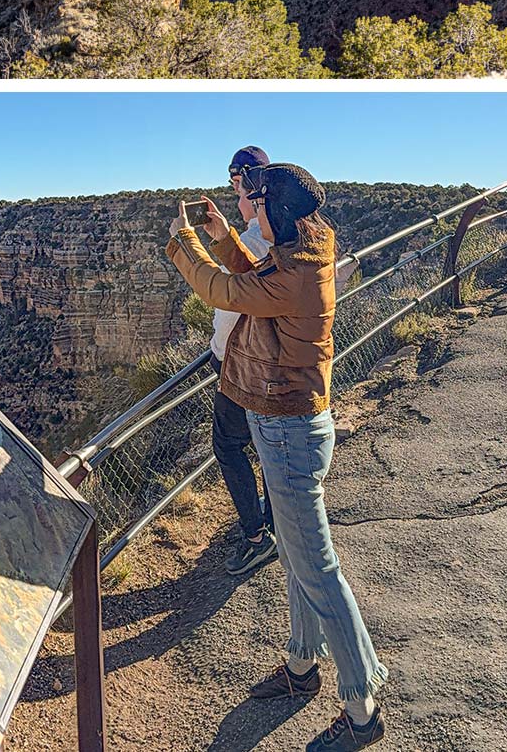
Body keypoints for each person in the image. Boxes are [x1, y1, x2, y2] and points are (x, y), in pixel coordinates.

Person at [167, 163, 389, 752]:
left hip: (288, 432)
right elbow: (257, 276)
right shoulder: (305, 246)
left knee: (318, 571)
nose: (251, 207)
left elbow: (221, 290)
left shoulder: (295, 275)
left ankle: (362, 706)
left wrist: (185, 241)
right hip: (285, 425)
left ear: (278, 212)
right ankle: (300, 666)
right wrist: (223, 235)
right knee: (296, 558)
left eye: (256, 201)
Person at [211, 145, 278, 576]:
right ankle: (277, 520)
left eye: (237, 189)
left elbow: (224, 292)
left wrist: (187, 243)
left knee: (229, 445)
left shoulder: (253, 241)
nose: (234, 199)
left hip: (239, 364)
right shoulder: (289, 237)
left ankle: (256, 537)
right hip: (271, 363)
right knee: (269, 446)